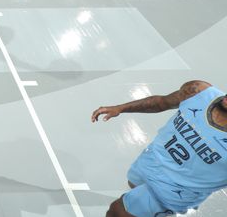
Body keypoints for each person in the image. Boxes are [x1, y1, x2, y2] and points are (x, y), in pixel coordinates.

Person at [92, 80, 227, 216]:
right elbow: (161, 102)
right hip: (149, 162)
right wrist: (120, 108)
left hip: (174, 191)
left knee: (117, 211)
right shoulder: (198, 91)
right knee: (133, 186)